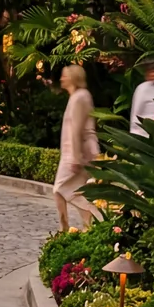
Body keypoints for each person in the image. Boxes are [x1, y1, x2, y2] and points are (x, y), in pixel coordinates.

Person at [53, 64, 100, 230]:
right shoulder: (77, 97)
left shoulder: (80, 97)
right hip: (74, 152)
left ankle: (94, 218)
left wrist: (75, 157)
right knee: (72, 190)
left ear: (73, 77)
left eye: (65, 75)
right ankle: (85, 226)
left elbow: (77, 129)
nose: (61, 78)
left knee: (61, 189)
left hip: (78, 153)